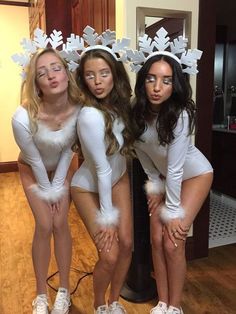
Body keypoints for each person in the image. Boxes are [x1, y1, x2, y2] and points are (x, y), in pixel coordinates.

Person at [131, 31, 213, 314]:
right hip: (166, 179)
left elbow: (177, 168)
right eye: (152, 79)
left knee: (172, 241)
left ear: (174, 85)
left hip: (194, 176)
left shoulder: (180, 114)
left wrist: (173, 210)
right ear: (143, 81)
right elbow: (143, 152)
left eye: (166, 81)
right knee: (155, 240)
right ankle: (163, 302)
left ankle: (175, 307)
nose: (157, 87)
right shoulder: (136, 113)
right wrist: (154, 184)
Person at [12, 46, 81, 314]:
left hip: (63, 166)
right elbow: (35, 160)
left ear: (66, 73)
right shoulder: (22, 117)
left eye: (56, 68)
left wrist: (58, 186)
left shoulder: (80, 110)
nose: (51, 76)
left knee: (60, 222)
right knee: (44, 223)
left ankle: (64, 290)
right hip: (32, 167)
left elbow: (68, 150)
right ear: (36, 83)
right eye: (42, 73)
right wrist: (48, 190)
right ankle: (41, 295)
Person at [71, 46, 134, 314]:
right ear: (82, 79)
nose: (97, 82)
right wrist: (108, 219)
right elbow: (100, 168)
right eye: (90, 75)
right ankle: (99, 305)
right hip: (88, 187)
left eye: (104, 74)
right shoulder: (89, 115)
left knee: (127, 245)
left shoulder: (120, 107)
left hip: (117, 179)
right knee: (109, 255)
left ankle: (114, 301)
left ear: (115, 75)